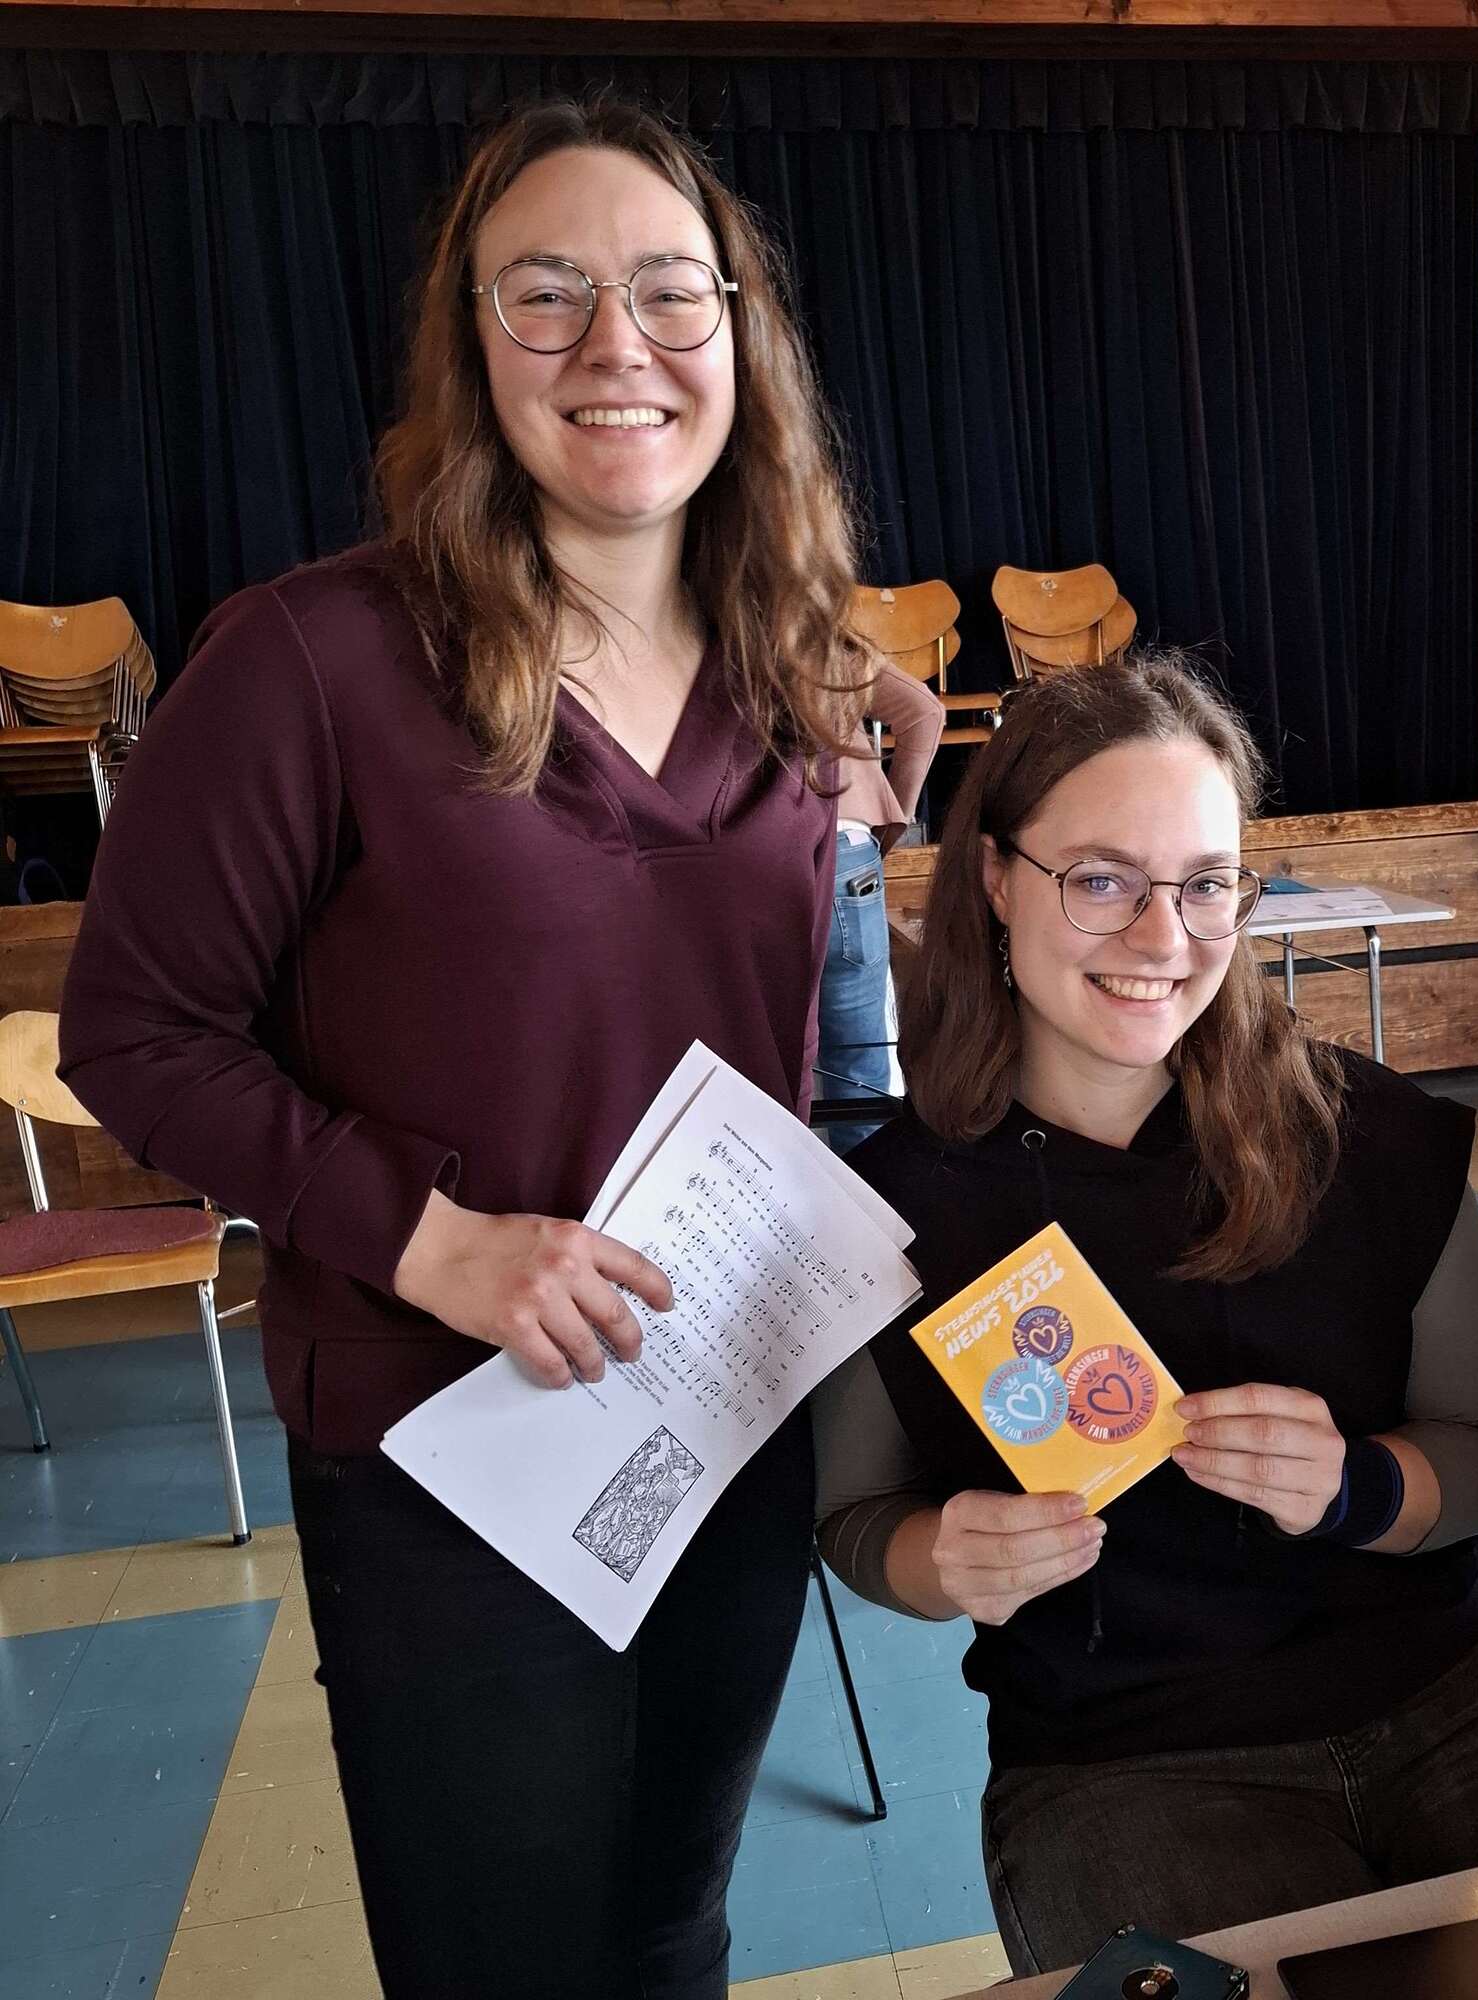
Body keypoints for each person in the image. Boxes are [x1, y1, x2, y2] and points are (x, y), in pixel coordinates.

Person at [59, 99, 871, 1999]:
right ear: (467, 338)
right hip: (449, 1448)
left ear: (742, 331)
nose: (619, 346)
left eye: (674, 290)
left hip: (720, 1418)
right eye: (549, 293)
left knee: (672, 1932)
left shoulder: (792, 667)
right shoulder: (312, 663)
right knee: (499, 1961)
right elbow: (135, 1029)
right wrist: (436, 1242)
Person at [814, 652, 1478, 1973]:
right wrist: (944, 1563)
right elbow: (857, 1521)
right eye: (1101, 880)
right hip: (1121, 1756)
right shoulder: (892, 1208)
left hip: (1454, 1691)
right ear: (994, 875)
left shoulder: (1367, 1136)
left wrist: (1361, 1488)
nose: (1165, 941)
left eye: (1205, 884)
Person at [817, 664, 944, 1150]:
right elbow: (923, 711)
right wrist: (896, 813)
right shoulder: (817, 633)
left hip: (753, 858)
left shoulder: (691, 627)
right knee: (862, 1053)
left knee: (767, 1056)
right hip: (848, 844)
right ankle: (872, 1210)